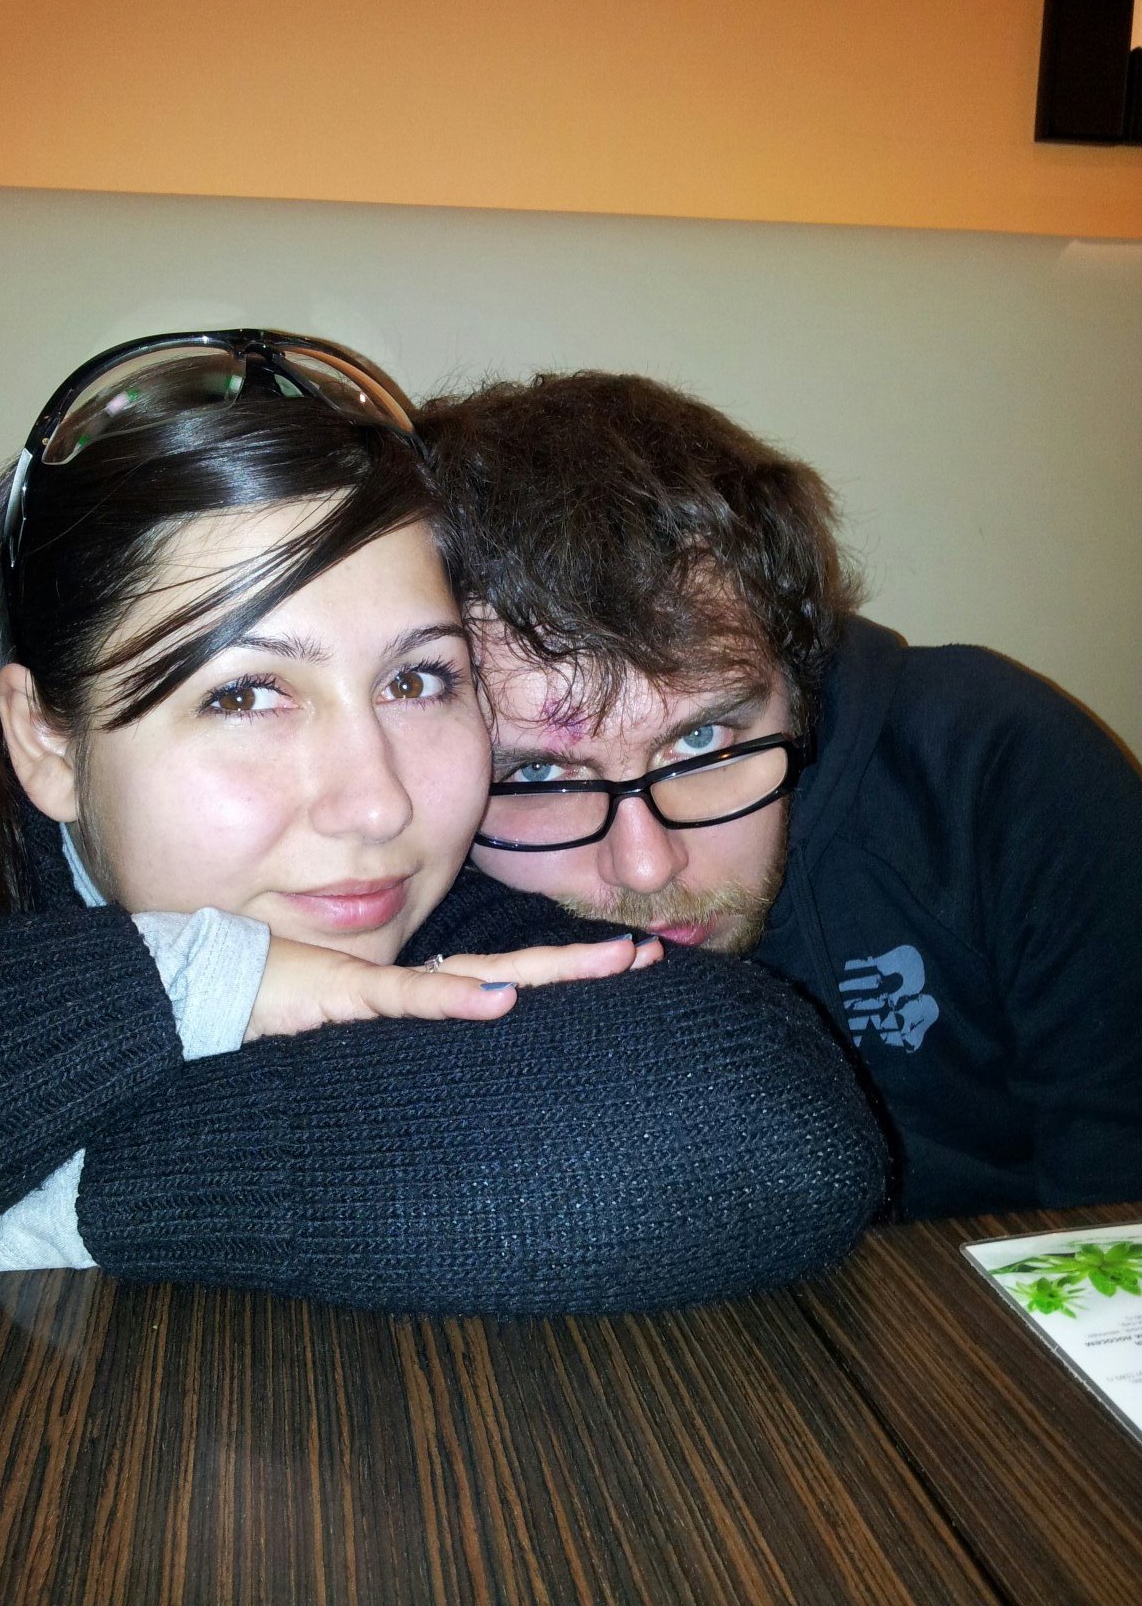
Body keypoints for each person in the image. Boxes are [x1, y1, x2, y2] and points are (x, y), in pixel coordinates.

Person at [0, 331, 886, 1314]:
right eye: (245, 695)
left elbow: (763, 1123)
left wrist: (36, 1201)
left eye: (417, 681)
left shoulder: (419, 897)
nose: (380, 803)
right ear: (46, 743)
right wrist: (192, 983)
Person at [418, 369, 1142, 1221]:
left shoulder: (991, 766)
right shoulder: (401, 880)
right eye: (540, 775)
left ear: (802, 683)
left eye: (701, 741)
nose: (647, 867)